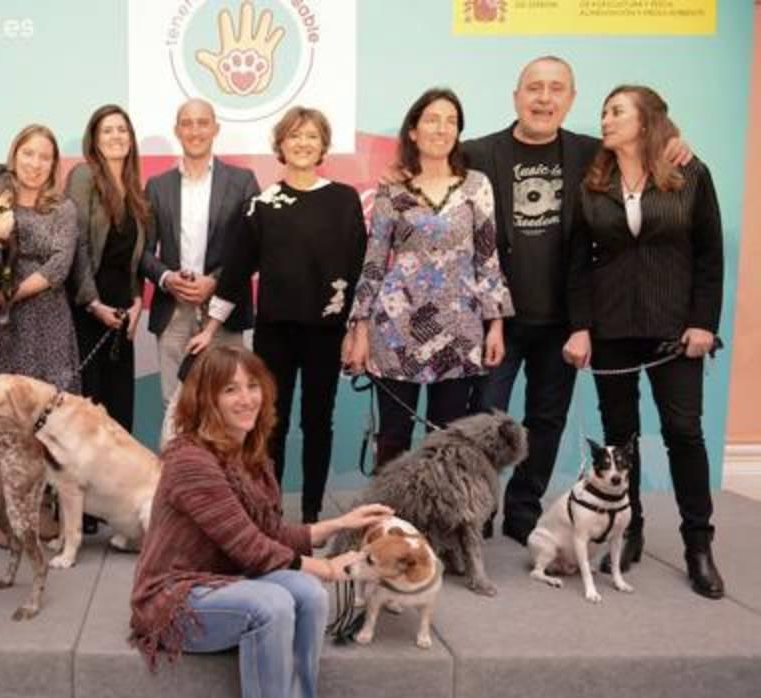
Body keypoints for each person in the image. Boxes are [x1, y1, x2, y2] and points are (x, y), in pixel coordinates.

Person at [461, 56, 690, 545]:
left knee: (546, 421)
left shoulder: (594, 153)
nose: (545, 98)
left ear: (570, 99)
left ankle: (523, 512)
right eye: (535, 88)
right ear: (516, 96)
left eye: (556, 89)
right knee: (484, 420)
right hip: (494, 320)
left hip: (566, 320)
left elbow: (648, 149)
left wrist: (674, 140)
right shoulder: (477, 153)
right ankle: (476, 512)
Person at [130, 344, 392, 698]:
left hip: (227, 578)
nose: (246, 398)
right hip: (174, 595)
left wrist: (339, 524)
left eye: (252, 386)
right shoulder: (190, 460)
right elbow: (249, 547)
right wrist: (329, 568)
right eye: (230, 389)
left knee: (310, 595)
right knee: (272, 604)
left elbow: (268, 534)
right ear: (206, 400)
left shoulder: (249, 455)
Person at [564, 85, 724, 599]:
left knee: (683, 431)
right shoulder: (594, 178)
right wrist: (581, 325)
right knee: (621, 434)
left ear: (646, 120)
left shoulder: (690, 172)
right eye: (604, 112)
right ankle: (627, 530)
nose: (605, 120)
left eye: (616, 112)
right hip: (611, 329)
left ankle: (698, 545)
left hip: (674, 330)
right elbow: (577, 263)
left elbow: (709, 255)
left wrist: (703, 323)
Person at [190, 106, 368, 524]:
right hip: (274, 333)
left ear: (323, 144)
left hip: (327, 332)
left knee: (318, 422)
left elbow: (362, 272)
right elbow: (234, 275)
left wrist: (359, 332)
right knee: (270, 423)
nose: (303, 143)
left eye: (311, 136)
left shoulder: (344, 200)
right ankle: (269, 511)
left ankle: (311, 516)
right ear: (281, 146)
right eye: (294, 136)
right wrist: (210, 328)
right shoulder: (261, 205)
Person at [347, 89, 513, 470]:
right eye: (433, 120)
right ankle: (389, 523)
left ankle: (440, 524)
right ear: (413, 131)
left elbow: (488, 259)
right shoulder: (392, 188)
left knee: (449, 438)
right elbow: (374, 261)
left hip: (460, 330)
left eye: (451, 121)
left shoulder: (476, 186)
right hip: (395, 331)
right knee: (393, 437)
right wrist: (358, 329)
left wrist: (496, 324)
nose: (442, 128)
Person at [142, 99, 260, 407]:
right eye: (187, 123)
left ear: (216, 129)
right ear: (177, 130)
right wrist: (167, 278)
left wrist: (215, 282)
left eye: (202, 122)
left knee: (231, 406)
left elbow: (254, 248)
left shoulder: (242, 181)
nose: (195, 130)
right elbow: (142, 252)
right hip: (173, 313)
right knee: (176, 408)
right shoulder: (156, 186)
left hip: (224, 313)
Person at [0, 124, 80, 394]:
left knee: (50, 424)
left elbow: (59, 266)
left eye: (45, 157)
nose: (35, 164)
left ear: (53, 164)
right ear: (14, 156)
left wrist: (9, 294)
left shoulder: (63, 208)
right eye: (28, 153)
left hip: (47, 329)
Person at [66, 104, 147, 431]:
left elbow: (135, 258)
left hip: (123, 316)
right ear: (95, 140)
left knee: (120, 412)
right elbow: (78, 243)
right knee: (89, 414)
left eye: (122, 129)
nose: (116, 136)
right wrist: (93, 303)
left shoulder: (135, 189)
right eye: (108, 130)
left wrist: (138, 300)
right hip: (88, 310)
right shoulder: (84, 176)